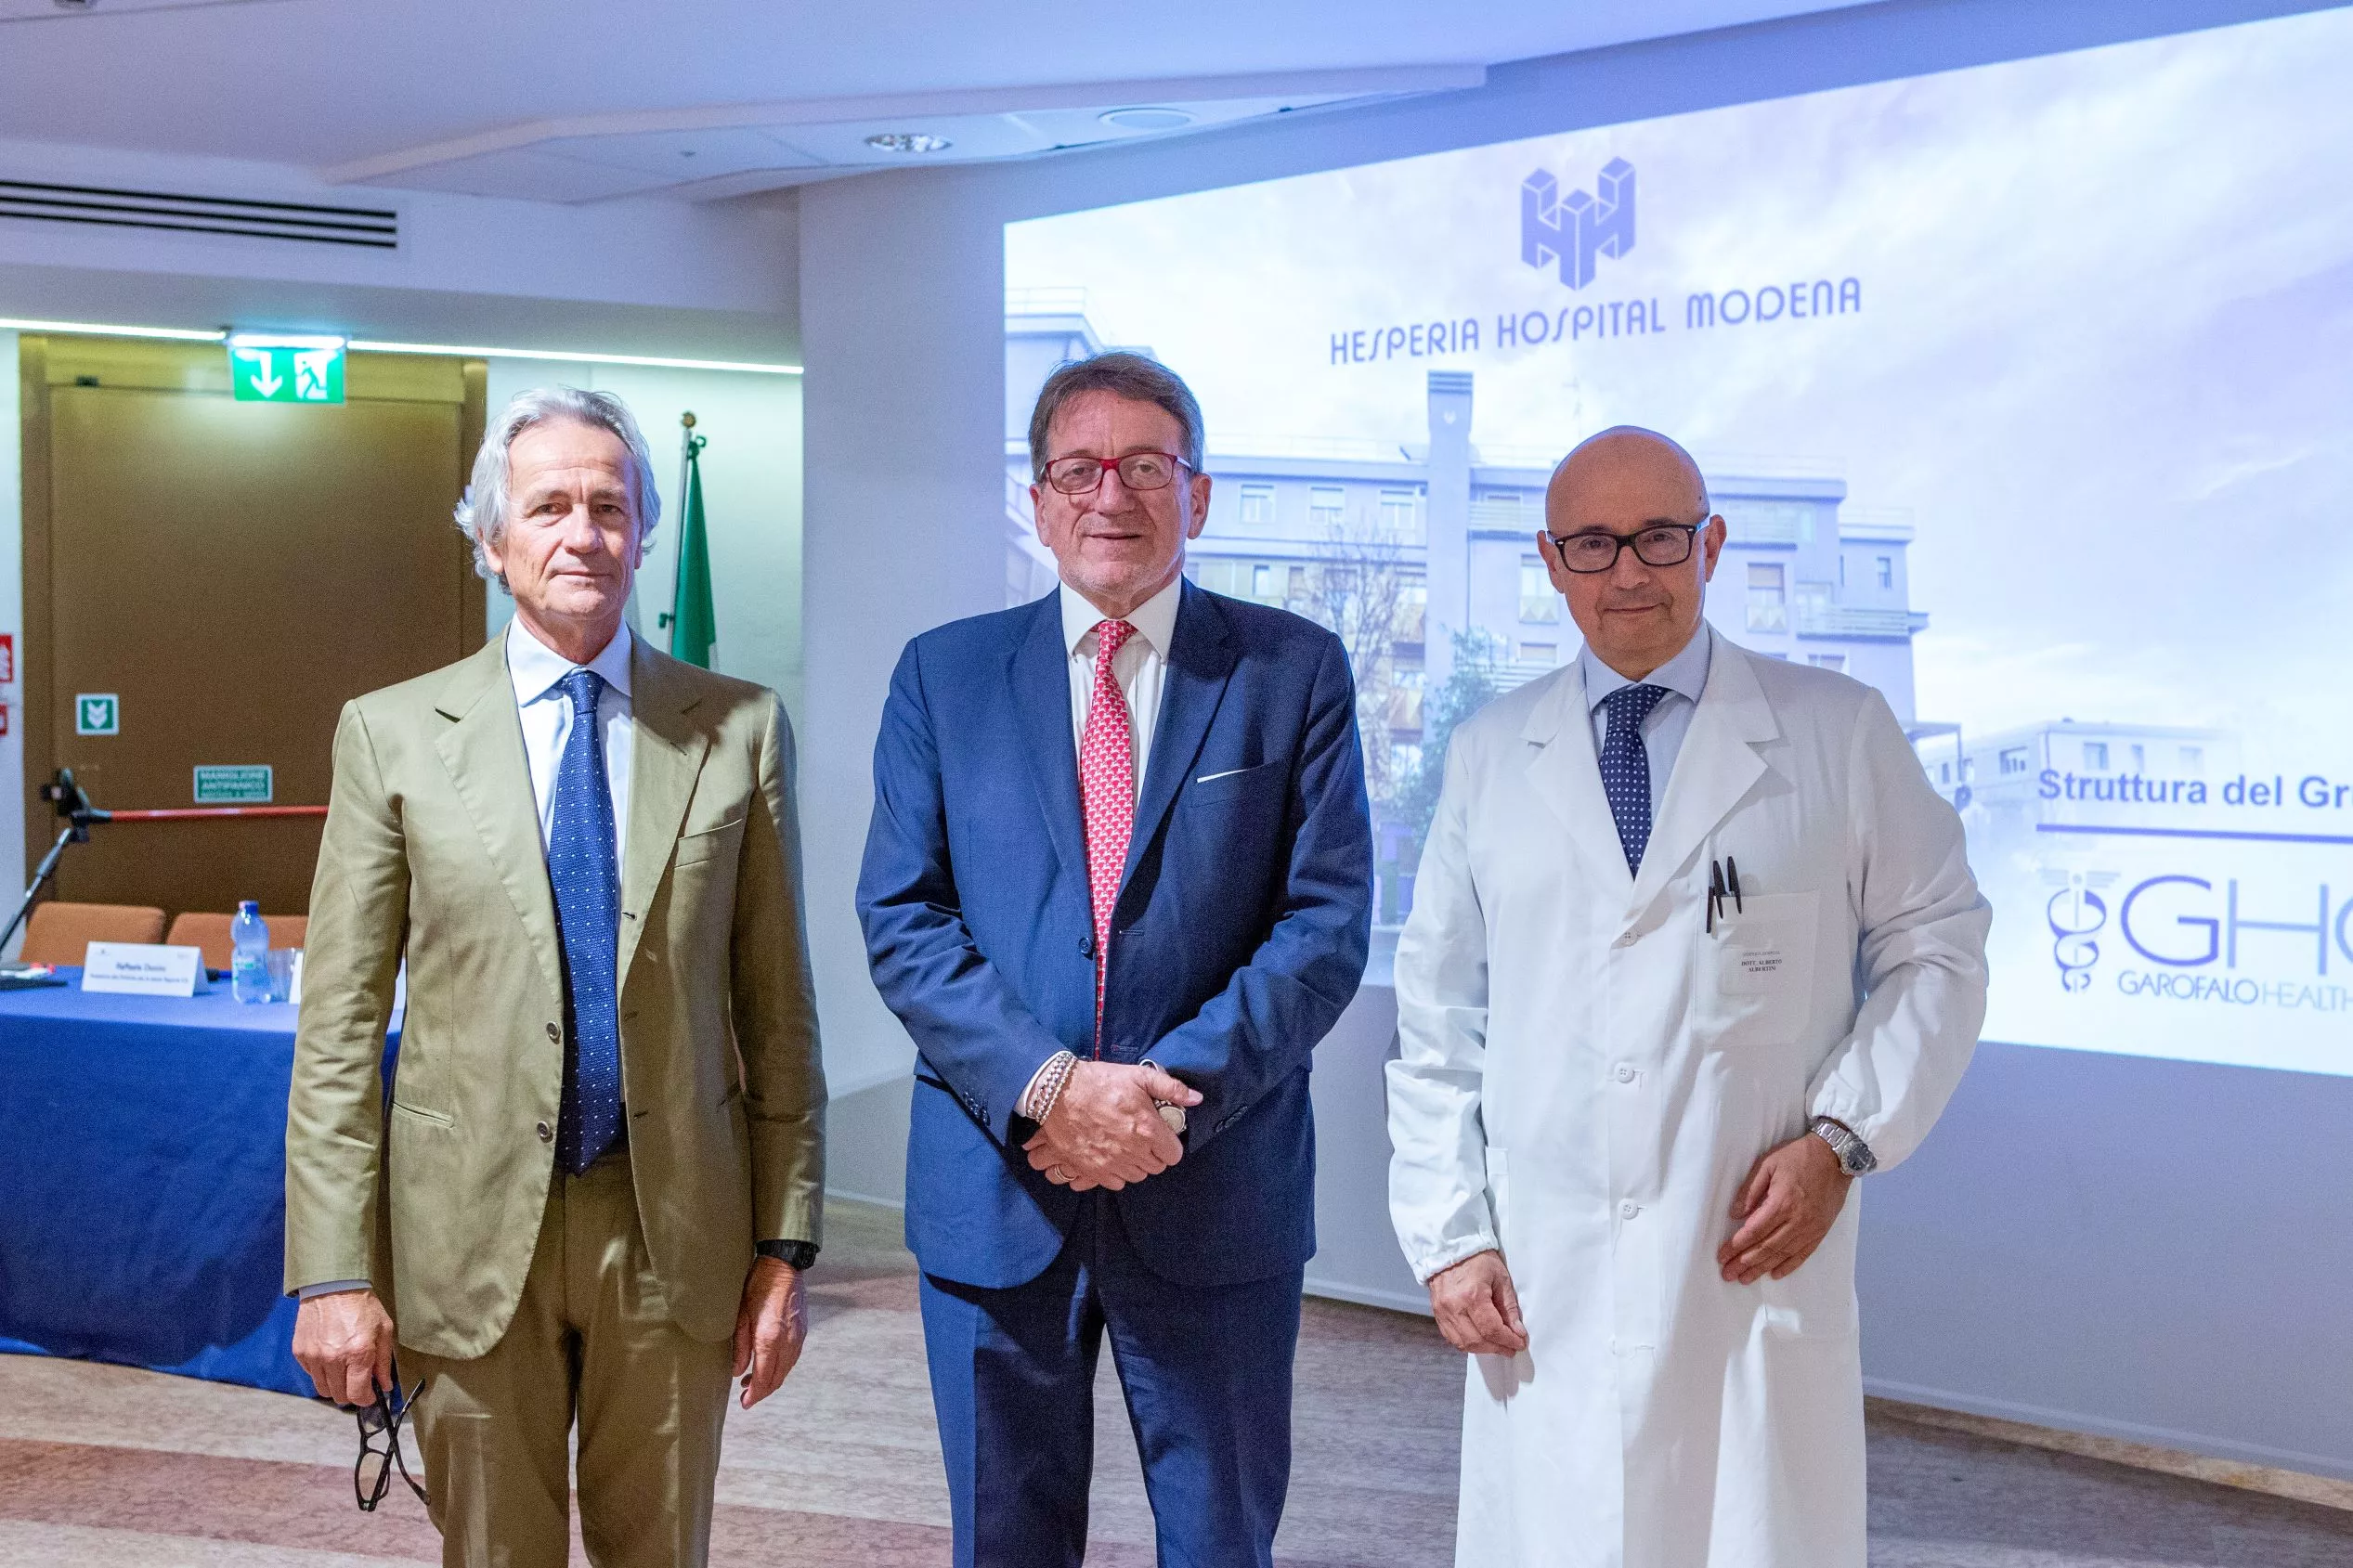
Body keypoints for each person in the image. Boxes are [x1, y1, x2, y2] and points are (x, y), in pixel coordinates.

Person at [1386, 426, 1989, 1566]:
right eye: (1591, 544)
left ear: (1709, 546)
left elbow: (1939, 942)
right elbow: (1438, 1020)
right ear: (1550, 562)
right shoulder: (1487, 751)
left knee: (1744, 1528)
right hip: (1544, 1267)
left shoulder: (1834, 730)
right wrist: (1449, 1235)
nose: (1627, 571)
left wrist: (1842, 1139)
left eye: (1658, 537)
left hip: (1743, 1261)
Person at [284, 386, 826, 1568]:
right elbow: (337, 1029)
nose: (583, 534)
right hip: (466, 1232)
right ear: (491, 542)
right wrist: (331, 1272)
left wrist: (785, 1248)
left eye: (609, 507)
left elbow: (778, 1011)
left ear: (640, 533)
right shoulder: (391, 733)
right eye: (547, 508)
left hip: (672, 1232)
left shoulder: (738, 728)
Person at [857, 352, 1373, 1567]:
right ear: (1037, 502)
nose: (1111, 495)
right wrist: (1050, 1087)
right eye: (1078, 470)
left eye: (1146, 466)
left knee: (1218, 1542)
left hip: (1214, 1186)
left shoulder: (1291, 670)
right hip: (998, 1189)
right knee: (1005, 1542)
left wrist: (1152, 1103)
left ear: (1198, 495)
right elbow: (905, 915)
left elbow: (1323, 924)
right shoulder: (943, 675)